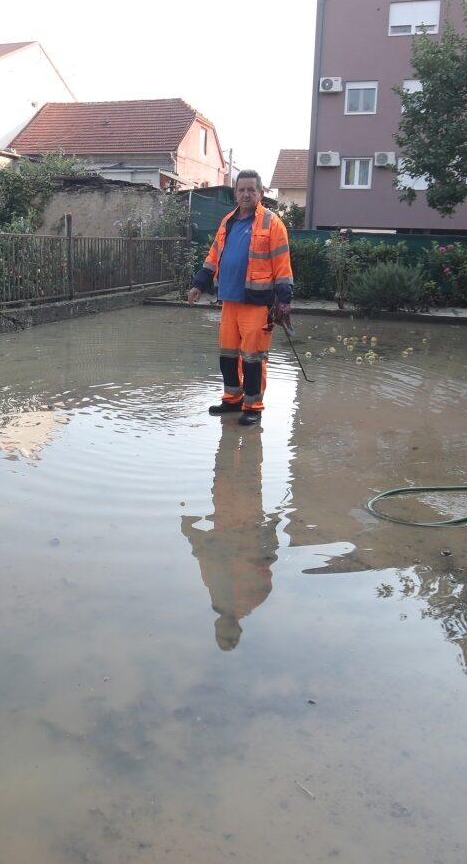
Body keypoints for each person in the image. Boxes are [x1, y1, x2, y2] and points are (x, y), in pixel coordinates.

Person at [186, 170, 294, 427]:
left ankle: (253, 406)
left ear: (260, 193)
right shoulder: (228, 222)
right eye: (241, 190)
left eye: (251, 190)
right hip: (229, 302)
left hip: (257, 303)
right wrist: (198, 284)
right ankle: (232, 400)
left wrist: (284, 301)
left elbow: (282, 265)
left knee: (253, 357)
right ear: (235, 193)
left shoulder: (272, 223)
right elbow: (213, 257)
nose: (246, 194)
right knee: (228, 355)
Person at [181, 424, 279, 651]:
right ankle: (246, 430)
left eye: (220, 632)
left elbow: (205, 556)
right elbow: (267, 558)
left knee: (234, 472)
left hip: (231, 519)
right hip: (242, 521)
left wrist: (191, 532)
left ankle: (236, 430)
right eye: (225, 632)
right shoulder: (250, 597)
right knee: (245, 473)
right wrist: (272, 526)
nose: (220, 627)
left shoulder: (227, 597)